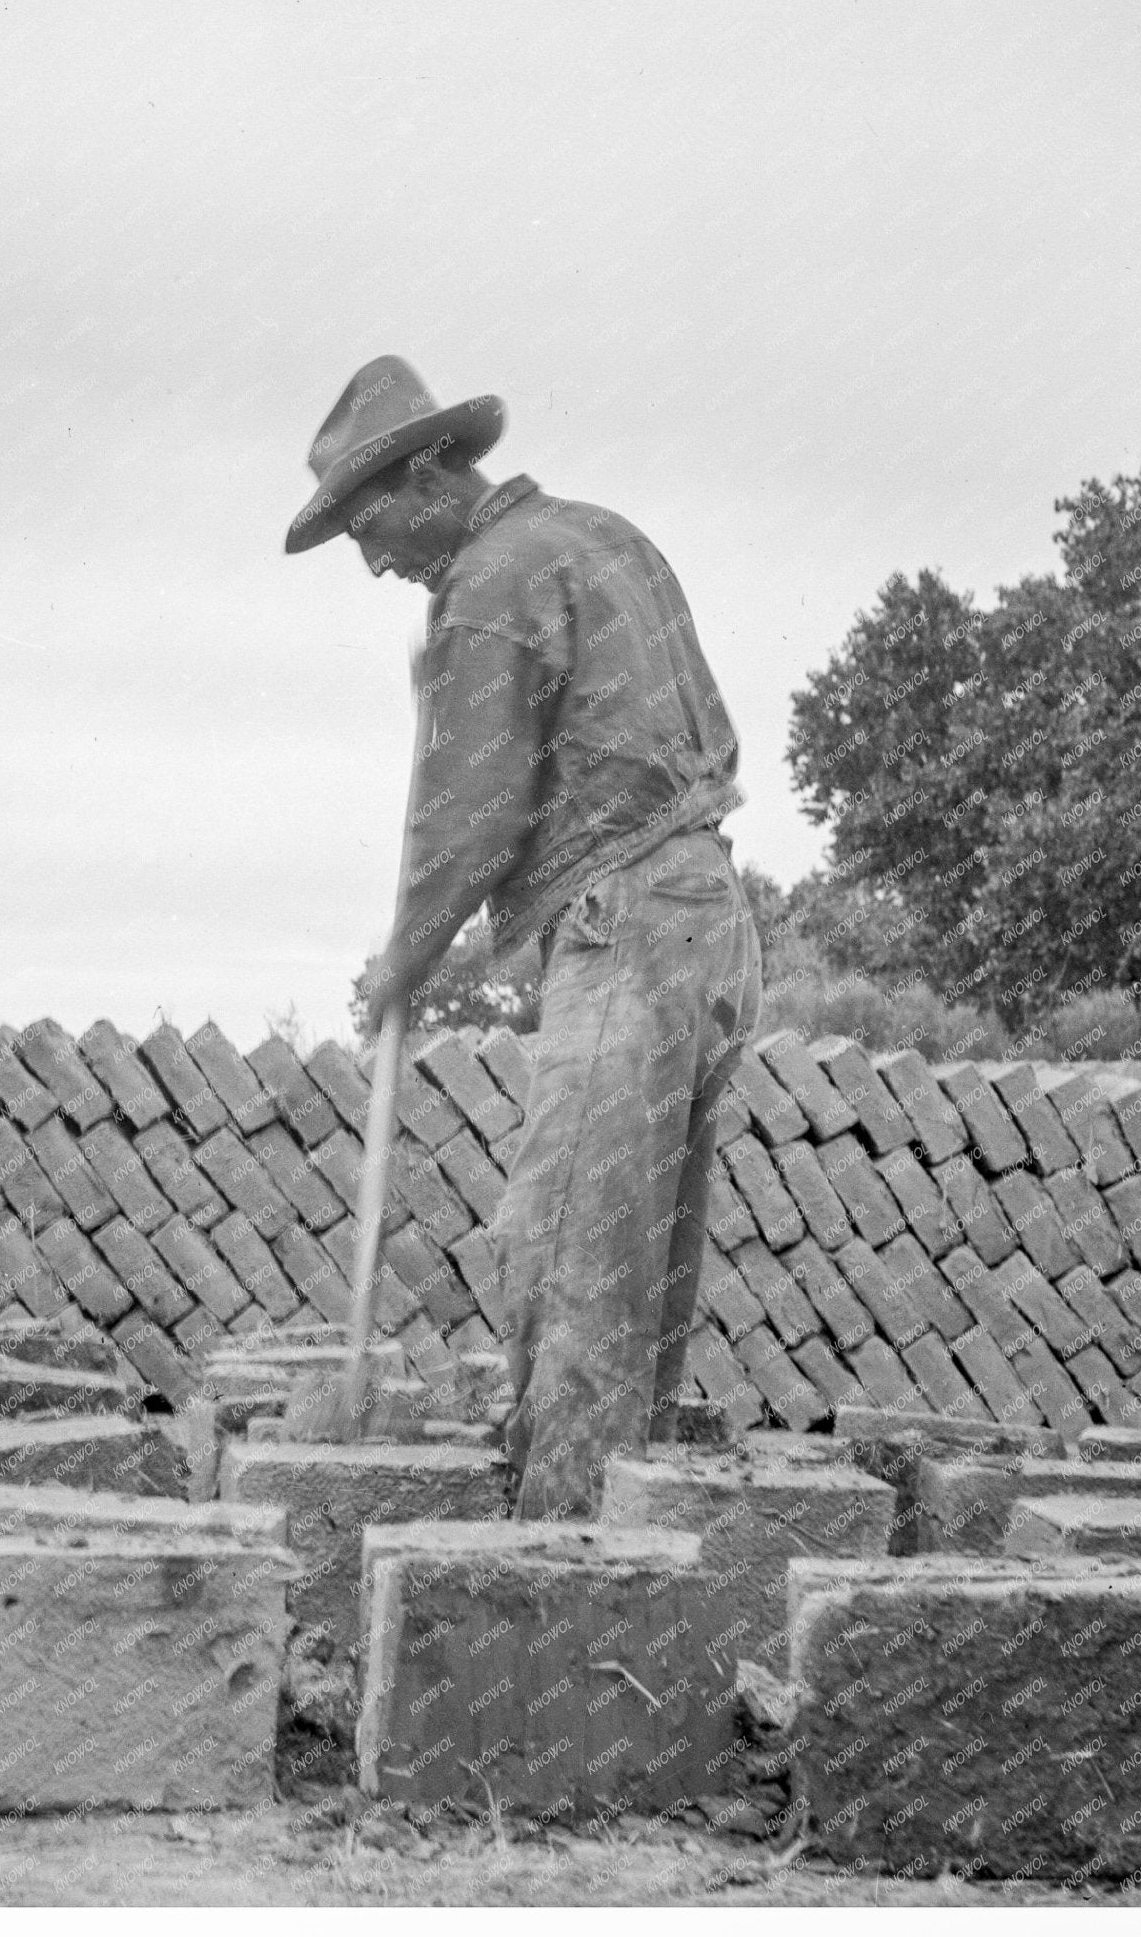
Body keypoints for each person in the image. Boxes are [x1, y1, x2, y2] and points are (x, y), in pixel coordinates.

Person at [285, 356, 763, 1518]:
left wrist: (404, 956)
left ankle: (552, 1571)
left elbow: (476, 810)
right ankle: (622, 1555)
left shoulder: (489, 581)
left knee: (570, 1271)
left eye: (368, 527)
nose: (373, 561)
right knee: (639, 1286)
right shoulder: (602, 537)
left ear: (427, 473)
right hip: (709, 918)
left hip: (625, 928)